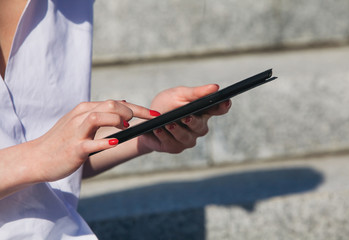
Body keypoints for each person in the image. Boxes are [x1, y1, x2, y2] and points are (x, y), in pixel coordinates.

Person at [0, 0, 231, 239]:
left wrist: (144, 131)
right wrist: (36, 157)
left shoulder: (70, 7)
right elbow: (45, 155)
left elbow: (56, 161)